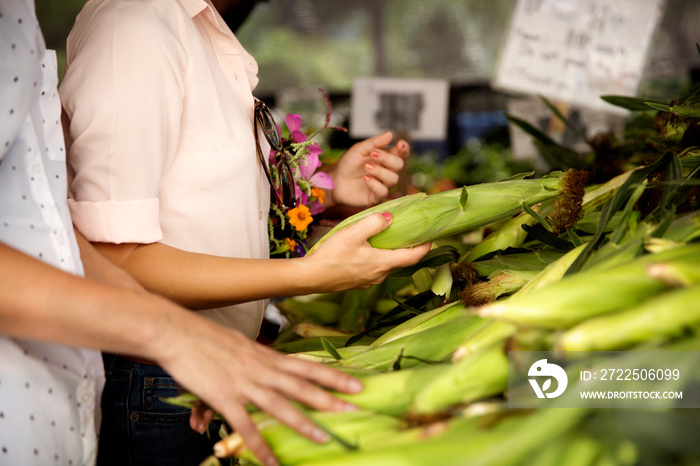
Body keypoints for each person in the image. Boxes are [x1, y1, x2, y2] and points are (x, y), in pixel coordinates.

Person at [0, 1, 420, 465]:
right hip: (155, 377)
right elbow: (115, 255)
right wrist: (309, 274)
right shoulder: (134, 26)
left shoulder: (196, 27)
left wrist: (329, 190)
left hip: (198, 366)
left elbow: (206, 206)